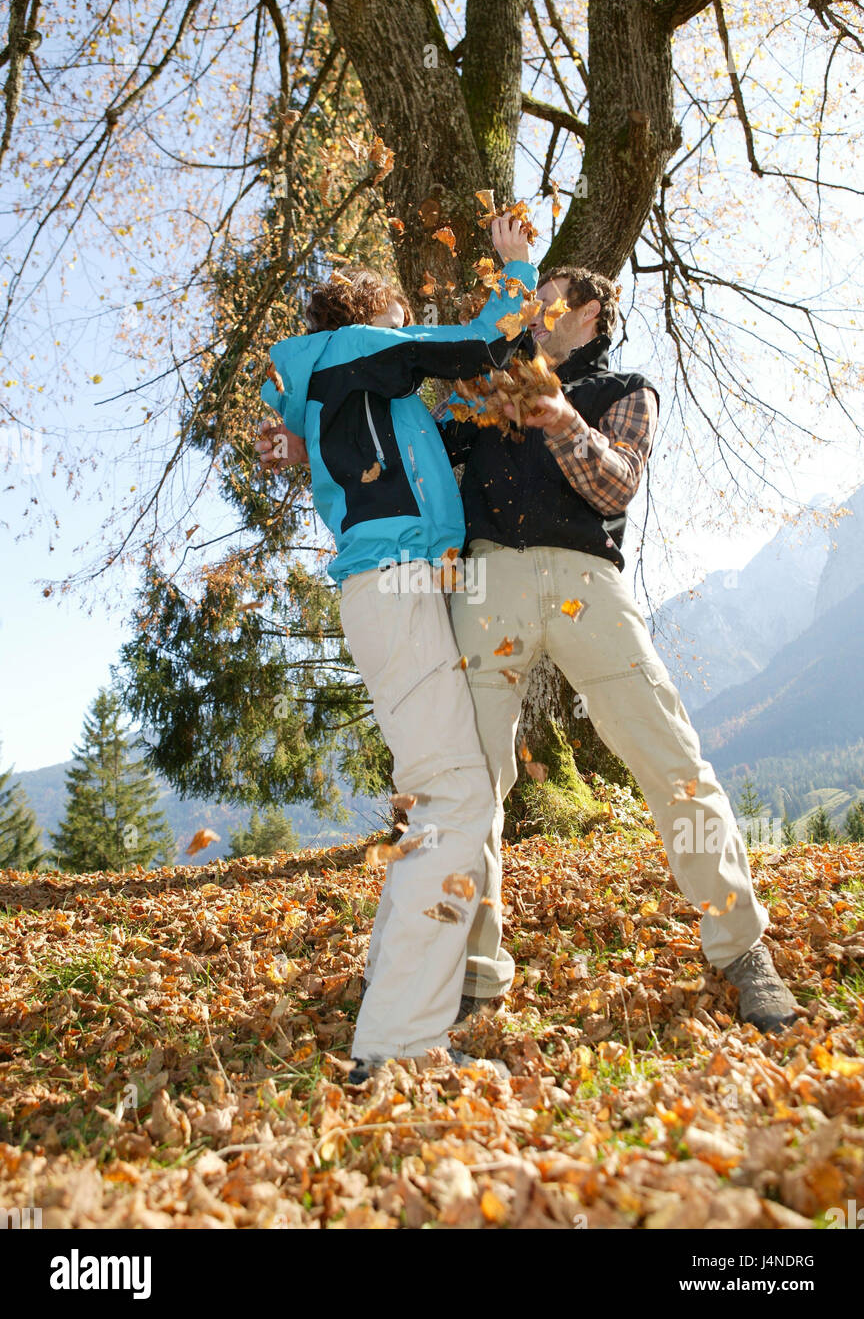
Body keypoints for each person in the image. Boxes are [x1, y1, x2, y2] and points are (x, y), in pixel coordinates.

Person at [433, 266, 801, 1034]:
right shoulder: (490, 384)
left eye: (553, 297)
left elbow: (616, 488)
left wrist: (563, 419)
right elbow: (424, 453)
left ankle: (742, 949)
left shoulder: (628, 390)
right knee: (469, 780)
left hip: (586, 581)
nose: (537, 307)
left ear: (594, 312)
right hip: (490, 576)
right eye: (532, 297)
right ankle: (473, 974)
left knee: (673, 762)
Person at [256, 216, 538, 1080]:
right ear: (371, 312)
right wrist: (518, 261)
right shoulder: (360, 351)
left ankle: (394, 986)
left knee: (441, 791)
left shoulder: (331, 390)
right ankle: (399, 1044)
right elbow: (487, 337)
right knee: (458, 795)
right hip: (399, 581)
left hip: (397, 587)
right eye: (395, 316)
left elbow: (307, 445)